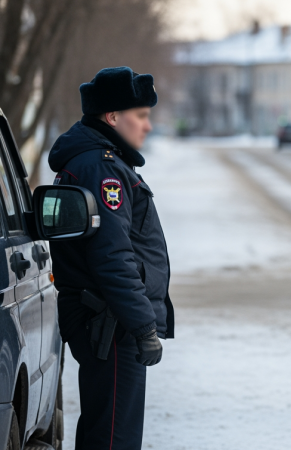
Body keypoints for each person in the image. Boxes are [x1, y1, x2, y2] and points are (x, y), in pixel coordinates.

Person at [49, 67, 174, 449]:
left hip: (108, 319)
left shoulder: (101, 161)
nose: (147, 127)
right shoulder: (101, 168)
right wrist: (143, 326)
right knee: (114, 439)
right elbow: (113, 257)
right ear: (113, 118)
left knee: (104, 429)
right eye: (141, 116)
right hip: (111, 323)